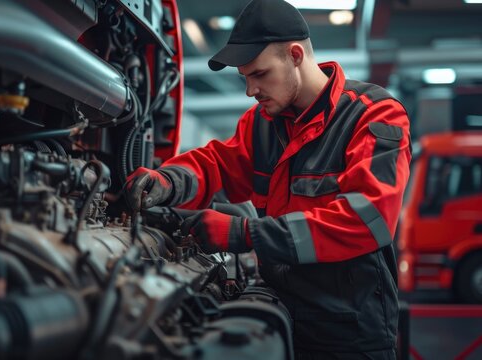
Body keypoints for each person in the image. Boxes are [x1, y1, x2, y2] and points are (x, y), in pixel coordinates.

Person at [123, 0, 411, 358]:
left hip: (348, 333)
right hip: (280, 314)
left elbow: (367, 219)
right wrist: (168, 181)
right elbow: (216, 164)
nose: (250, 90)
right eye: (244, 78)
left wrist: (244, 234)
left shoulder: (372, 115)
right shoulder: (261, 125)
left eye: (259, 74)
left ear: (294, 55)